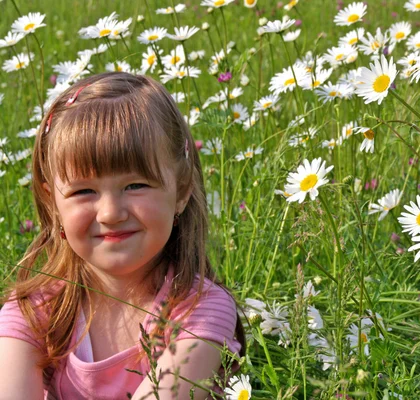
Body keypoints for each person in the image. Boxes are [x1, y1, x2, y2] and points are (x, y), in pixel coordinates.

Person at [0, 72, 245, 399]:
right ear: (53, 203)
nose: (111, 213)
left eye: (136, 185)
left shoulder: (199, 311)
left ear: (182, 190)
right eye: (83, 191)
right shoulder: (35, 312)